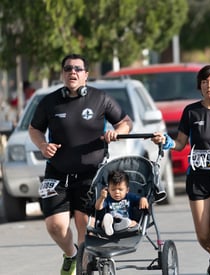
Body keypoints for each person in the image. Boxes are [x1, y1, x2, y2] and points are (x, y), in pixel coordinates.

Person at [28, 53, 133, 275]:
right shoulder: (50, 101)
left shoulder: (100, 98)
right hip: (57, 173)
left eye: (77, 69)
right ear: (62, 74)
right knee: (55, 226)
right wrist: (42, 145)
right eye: (68, 68)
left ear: (86, 74)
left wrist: (116, 132)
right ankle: (71, 255)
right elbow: (34, 128)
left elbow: (125, 122)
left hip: (90, 174)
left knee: (84, 225)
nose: (72, 72)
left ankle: (85, 269)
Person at [152, 64, 210, 275]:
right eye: (204, 82)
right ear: (200, 86)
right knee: (203, 236)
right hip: (198, 178)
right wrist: (165, 141)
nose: (208, 86)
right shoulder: (191, 111)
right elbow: (180, 143)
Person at [95, 170, 149, 236]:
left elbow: (139, 200)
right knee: (106, 218)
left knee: (131, 222)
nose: (117, 192)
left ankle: (121, 226)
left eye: (120, 189)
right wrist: (102, 198)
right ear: (108, 189)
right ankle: (108, 226)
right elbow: (98, 207)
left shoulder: (129, 197)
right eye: (113, 189)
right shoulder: (107, 199)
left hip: (125, 221)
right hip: (111, 222)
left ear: (127, 190)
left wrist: (143, 199)